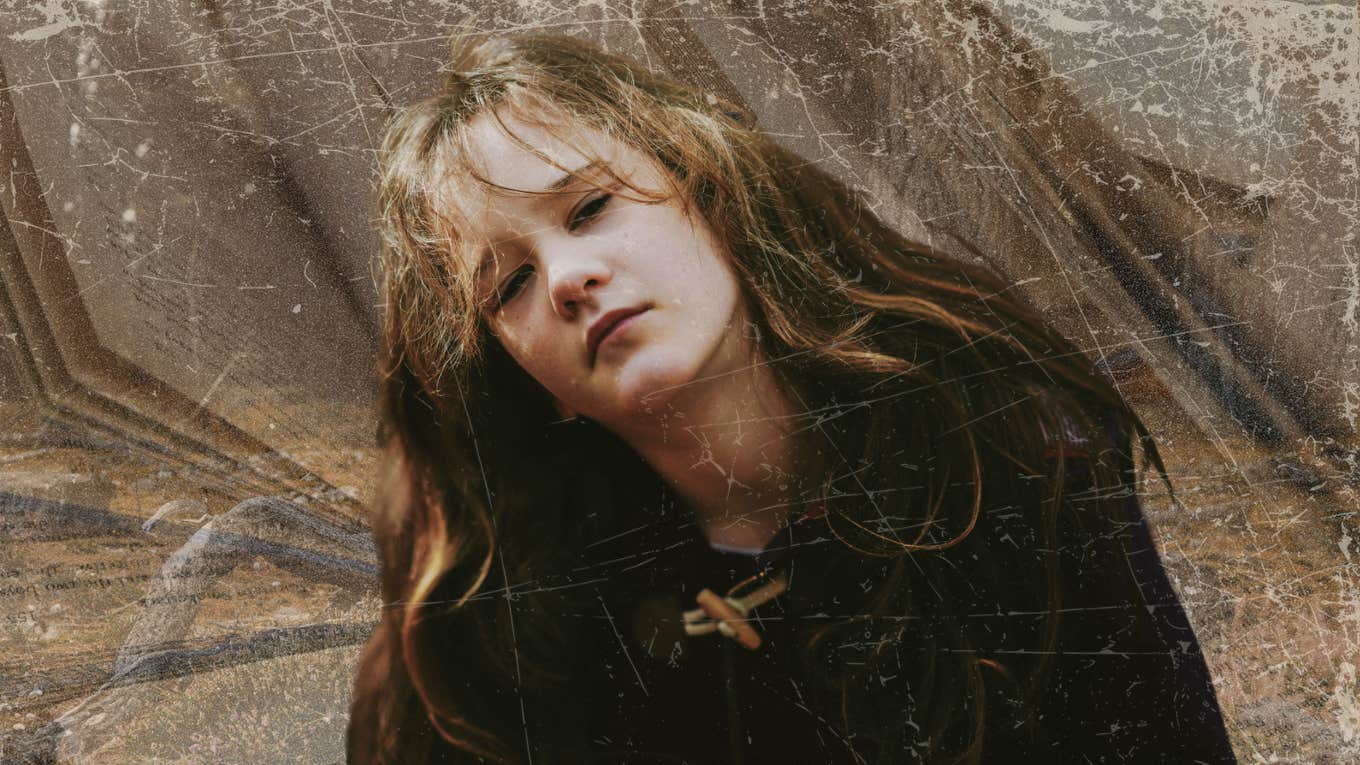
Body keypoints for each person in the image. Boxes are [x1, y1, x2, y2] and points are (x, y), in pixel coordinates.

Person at [347, 32, 1235, 764]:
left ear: (707, 191)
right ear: (524, 381)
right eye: (508, 286)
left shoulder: (999, 452)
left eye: (589, 209)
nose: (571, 277)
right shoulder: (501, 624)